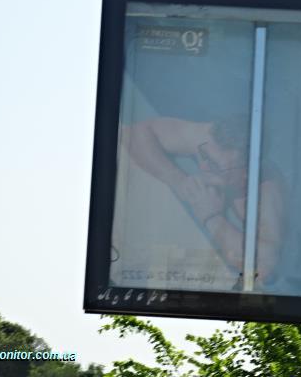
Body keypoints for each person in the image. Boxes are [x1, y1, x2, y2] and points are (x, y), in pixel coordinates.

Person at [120, 114, 285, 288]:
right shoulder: (210, 138)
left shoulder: (266, 192)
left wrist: (211, 217)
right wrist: (179, 181)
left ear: (247, 173)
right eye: (204, 155)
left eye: (215, 165)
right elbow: (134, 134)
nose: (203, 166)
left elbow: (264, 264)